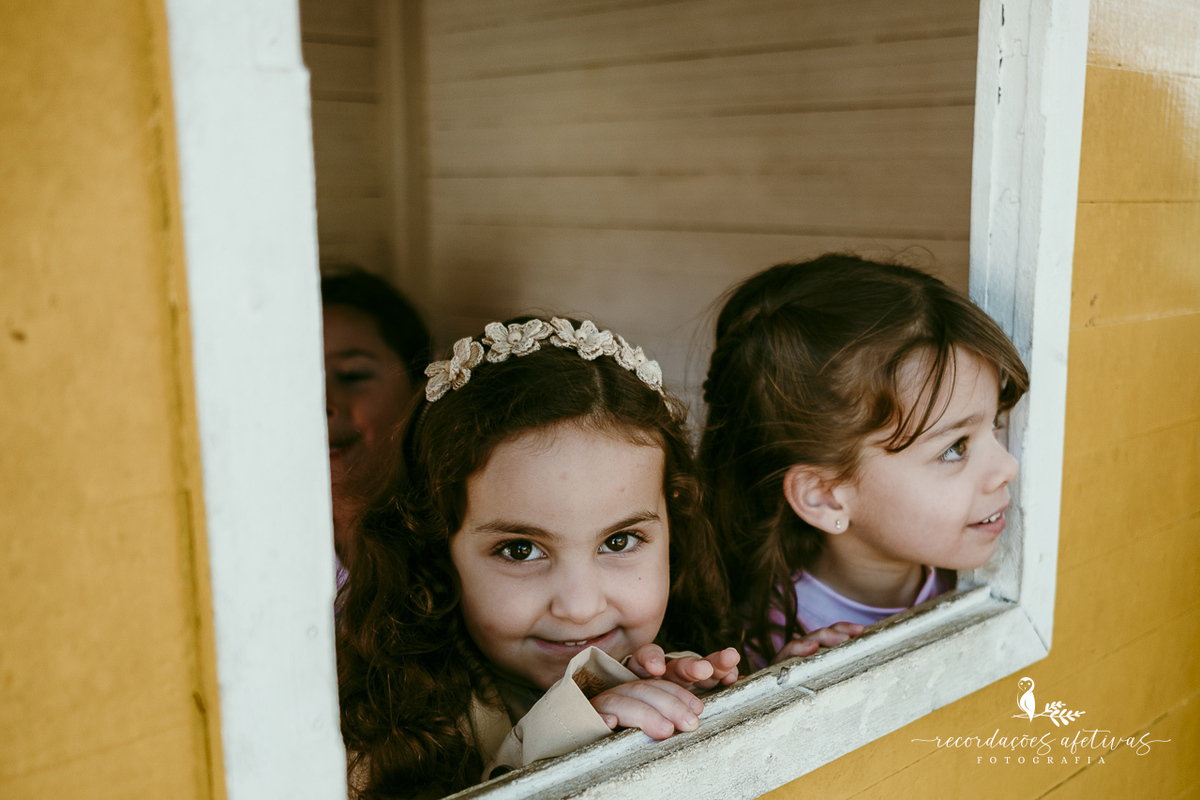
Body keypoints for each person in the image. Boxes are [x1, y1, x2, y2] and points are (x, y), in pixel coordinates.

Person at [337, 317, 742, 799]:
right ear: (436, 552)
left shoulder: (688, 660)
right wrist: (553, 751)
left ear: (674, 528)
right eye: (520, 549)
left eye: (619, 542)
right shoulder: (370, 736)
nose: (580, 607)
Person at [698, 255, 1029, 668]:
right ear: (825, 497)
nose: (1008, 467)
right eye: (955, 448)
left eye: (995, 422)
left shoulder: (989, 572)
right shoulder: (753, 644)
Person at [321, 268, 430, 578]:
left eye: (352, 375)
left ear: (418, 386)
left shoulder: (448, 527)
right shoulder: (258, 537)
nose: (322, 403)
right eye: (298, 380)